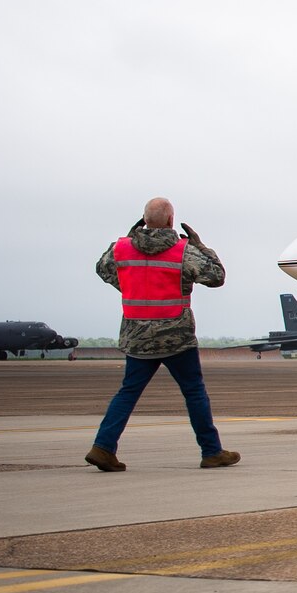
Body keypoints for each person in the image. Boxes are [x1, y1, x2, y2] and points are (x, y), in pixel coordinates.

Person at [85, 197, 241, 471]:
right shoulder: (183, 251)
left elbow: (102, 269)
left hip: (137, 337)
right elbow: (217, 277)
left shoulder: (121, 249)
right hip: (176, 337)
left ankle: (103, 447)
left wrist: (128, 283)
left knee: (128, 392)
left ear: (143, 221)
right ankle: (211, 451)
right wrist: (201, 246)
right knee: (194, 392)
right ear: (171, 221)